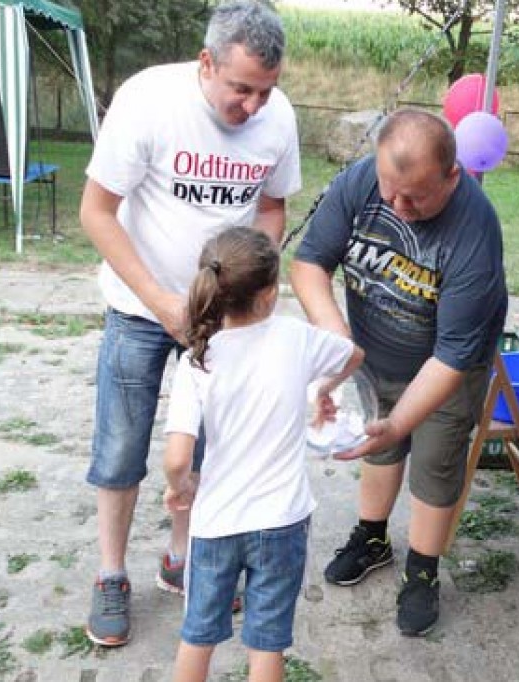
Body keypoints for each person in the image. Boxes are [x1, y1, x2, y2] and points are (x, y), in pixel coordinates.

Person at [79, 1, 301, 647]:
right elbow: (97, 213)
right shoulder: (148, 100)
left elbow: (270, 210)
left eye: (266, 90)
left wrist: (250, 290)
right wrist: (161, 302)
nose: (254, 106)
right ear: (207, 64)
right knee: (121, 446)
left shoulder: (276, 117)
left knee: (208, 445)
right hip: (138, 309)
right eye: (240, 89)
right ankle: (111, 572)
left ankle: (182, 559)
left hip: (222, 319)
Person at [289, 108, 508, 636]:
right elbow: (309, 264)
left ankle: (424, 571)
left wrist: (403, 418)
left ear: (452, 176)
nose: (400, 207)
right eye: (391, 192)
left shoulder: (475, 231)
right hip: (373, 350)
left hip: (448, 368)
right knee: (378, 444)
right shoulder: (360, 181)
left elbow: (452, 356)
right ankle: (372, 538)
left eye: (417, 197)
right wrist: (340, 346)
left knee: (433, 459)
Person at [164, 227, 364, 682]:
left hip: (216, 521)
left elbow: (178, 458)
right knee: (266, 643)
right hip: (282, 519)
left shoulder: (197, 358)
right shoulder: (295, 338)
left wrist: (181, 488)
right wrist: (323, 389)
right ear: (271, 294)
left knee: (198, 634)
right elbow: (352, 354)